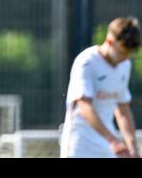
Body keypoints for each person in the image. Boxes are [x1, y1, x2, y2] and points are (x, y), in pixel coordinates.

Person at [60, 17, 141, 158]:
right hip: (79, 146)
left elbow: (122, 110)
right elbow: (85, 107)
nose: (125, 58)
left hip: (108, 147)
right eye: (122, 53)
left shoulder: (125, 65)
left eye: (129, 55)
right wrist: (113, 140)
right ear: (109, 42)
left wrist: (133, 148)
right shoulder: (87, 61)